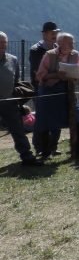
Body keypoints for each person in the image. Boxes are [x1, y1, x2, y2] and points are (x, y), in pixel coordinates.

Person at [34, 32, 79, 159]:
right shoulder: (49, 55)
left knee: (78, 117)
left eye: (73, 42)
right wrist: (57, 75)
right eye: (70, 42)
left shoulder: (76, 55)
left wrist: (73, 75)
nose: (73, 44)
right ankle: (44, 152)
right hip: (49, 91)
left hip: (68, 90)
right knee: (46, 120)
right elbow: (40, 75)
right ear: (61, 43)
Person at [0, 31, 43, 166]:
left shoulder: (13, 60)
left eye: (4, 44)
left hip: (9, 102)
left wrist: (18, 97)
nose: (2, 47)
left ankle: (27, 157)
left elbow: (16, 80)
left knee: (18, 130)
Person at [29, 21, 60, 157]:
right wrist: (57, 75)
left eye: (56, 32)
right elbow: (39, 72)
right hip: (41, 89)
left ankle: (53, 146)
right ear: (45, 34)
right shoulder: (36, 50)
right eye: (52, 32)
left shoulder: (59, 48)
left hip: (56, 88)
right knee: (42, 119)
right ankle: (39, 147)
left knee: (56, 118)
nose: (55, 35)